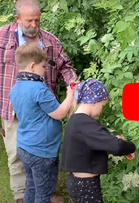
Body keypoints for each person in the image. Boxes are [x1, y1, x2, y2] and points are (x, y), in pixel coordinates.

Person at [0, 0, 77, 202]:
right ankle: (21, 195)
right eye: (29, 21)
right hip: (12, 108)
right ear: (17, 19)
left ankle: (41, 192)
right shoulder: (2, 37)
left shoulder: (51, 41)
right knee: (16, 153)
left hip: (44, 108)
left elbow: (65, 67)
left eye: (37, 20)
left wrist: (73, 84)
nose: (34, 25)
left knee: (42, 153)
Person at [9, 44, 76, 203]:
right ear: (33, 66)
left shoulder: (15, 89)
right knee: (43, 193)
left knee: (31, 184)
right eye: (43, 66)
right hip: (41, 150)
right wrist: (70, 95)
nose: (45, 69)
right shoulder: (39, 89)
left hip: (24, 146)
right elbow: (59, 114)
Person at [60, 79, 136, 203]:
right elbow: (117, 147)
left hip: (76, 182)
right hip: (86, 185)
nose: (101, 110)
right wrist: (131, 147)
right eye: (102, 105)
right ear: (94, 102)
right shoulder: (85, 124)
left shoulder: (75, 121)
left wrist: (113, 140)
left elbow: (97, 141)